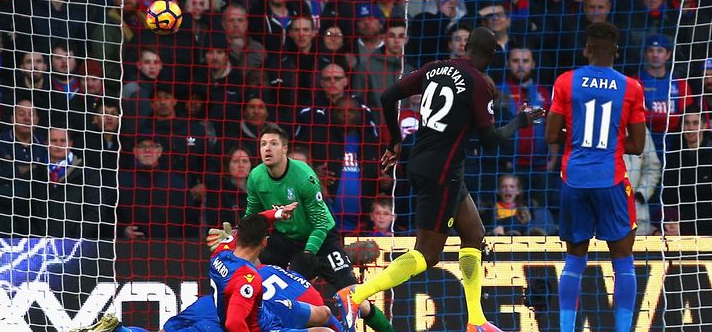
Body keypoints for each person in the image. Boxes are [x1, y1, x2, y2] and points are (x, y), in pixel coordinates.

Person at [336, 27, 544, 332]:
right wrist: (520, 121)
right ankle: (357, 294)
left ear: (466, 47)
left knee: (474, 233)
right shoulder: (478, 84)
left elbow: (387, 95)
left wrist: (395, 140)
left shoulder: (436, 67)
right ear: (490, 55)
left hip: (426, 163)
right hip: (442, 174)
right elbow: (491, 141)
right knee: (427, 254)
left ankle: (476, 320)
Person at [544, 22, 647, 332]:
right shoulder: (631, 87)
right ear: (616, 51)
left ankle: (565, 328)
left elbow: (550, 135)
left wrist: (579, 141)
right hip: (611, 179)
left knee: (575, 257)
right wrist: (611, 143)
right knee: (623, 258)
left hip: (574, 179)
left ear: (585, 49)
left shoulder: (566, 81)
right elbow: (639, 146)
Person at [245, 123, 393, 332]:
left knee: (354, 296)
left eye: (273, 143)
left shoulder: (304, 175)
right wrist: (236, 238)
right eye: (262, 144)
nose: (267, 148)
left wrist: (307, 255)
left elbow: (321, 223)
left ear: (285, 149)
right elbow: (253, 218)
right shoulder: (256, 177)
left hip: (321, 239)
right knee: (248, 266)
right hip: (285, 239)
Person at [209, 211, 332, 332]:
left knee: (325, 313)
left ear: (238, 236)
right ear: (264, 242)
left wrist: (278, 213)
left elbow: (255, 221)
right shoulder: (248, 278)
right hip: (265, 327)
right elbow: (233, 323)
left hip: (267, 308)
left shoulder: (220, 252)